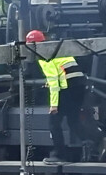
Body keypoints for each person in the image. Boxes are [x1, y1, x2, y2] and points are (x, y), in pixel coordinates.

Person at [25, 30, 100, 163]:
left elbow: (55, 82)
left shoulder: (44, 55)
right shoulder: (57, 48)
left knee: (54, 123)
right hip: (79, 87)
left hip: (68, 89)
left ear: (33, 45)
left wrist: (54, 105)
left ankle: (59, 155)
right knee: (73, 120)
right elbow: (63, 71)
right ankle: (92, 144)